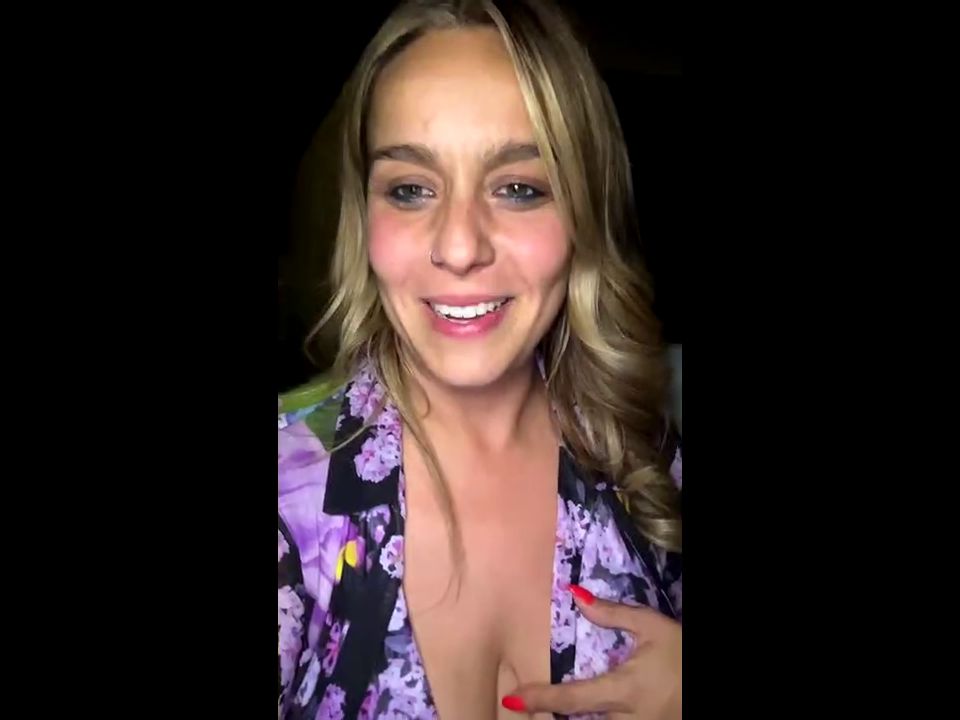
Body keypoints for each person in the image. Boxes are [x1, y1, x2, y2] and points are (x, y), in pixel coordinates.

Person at [278, 0, 682, 717]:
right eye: (410, 190)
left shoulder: (649, 461)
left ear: (584, 214)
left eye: (519, 189)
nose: (460, 248)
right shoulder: (288, 495)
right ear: (364, 216)